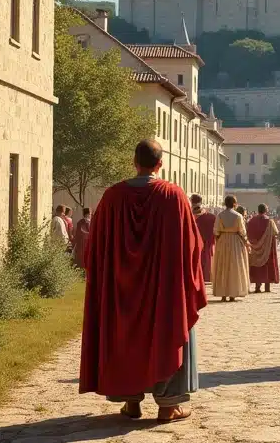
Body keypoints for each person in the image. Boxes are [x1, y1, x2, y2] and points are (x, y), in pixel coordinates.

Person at [79, 139, 205, 423]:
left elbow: (94, 249)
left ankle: (131, 402)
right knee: (169, 331)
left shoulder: (112, 197)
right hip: (165, 289)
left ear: (134, 163)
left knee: (124, 335)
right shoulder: (173, 196)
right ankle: (167, 405)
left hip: (121, 290)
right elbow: (192, 245)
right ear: (161, 164)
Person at [212, 196, 250, 301]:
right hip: (235, 241)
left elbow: (216, 231)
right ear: (234, 203)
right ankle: (233, 293)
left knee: (223, 266)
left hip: (223, 241)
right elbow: (242, 231)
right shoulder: (238, 216)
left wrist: (220, 238)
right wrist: (246, 242)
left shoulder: (220, 215)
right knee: (234, 267)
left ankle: (223, 293)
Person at [246, 204, 280, 293]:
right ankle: (267, 287)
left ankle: (257, 287)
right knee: (267, 266)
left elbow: (248, 233)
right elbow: (276, 232)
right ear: (265, 210)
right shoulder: (269, 221)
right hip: (268, 248)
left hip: (254, 248)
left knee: (257, 266)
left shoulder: (252, 221)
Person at [191, 195, 215, 284]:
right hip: (206, 245)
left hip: (193, 244)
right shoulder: (211, 217)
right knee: (206, 262)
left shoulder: (188, 215)